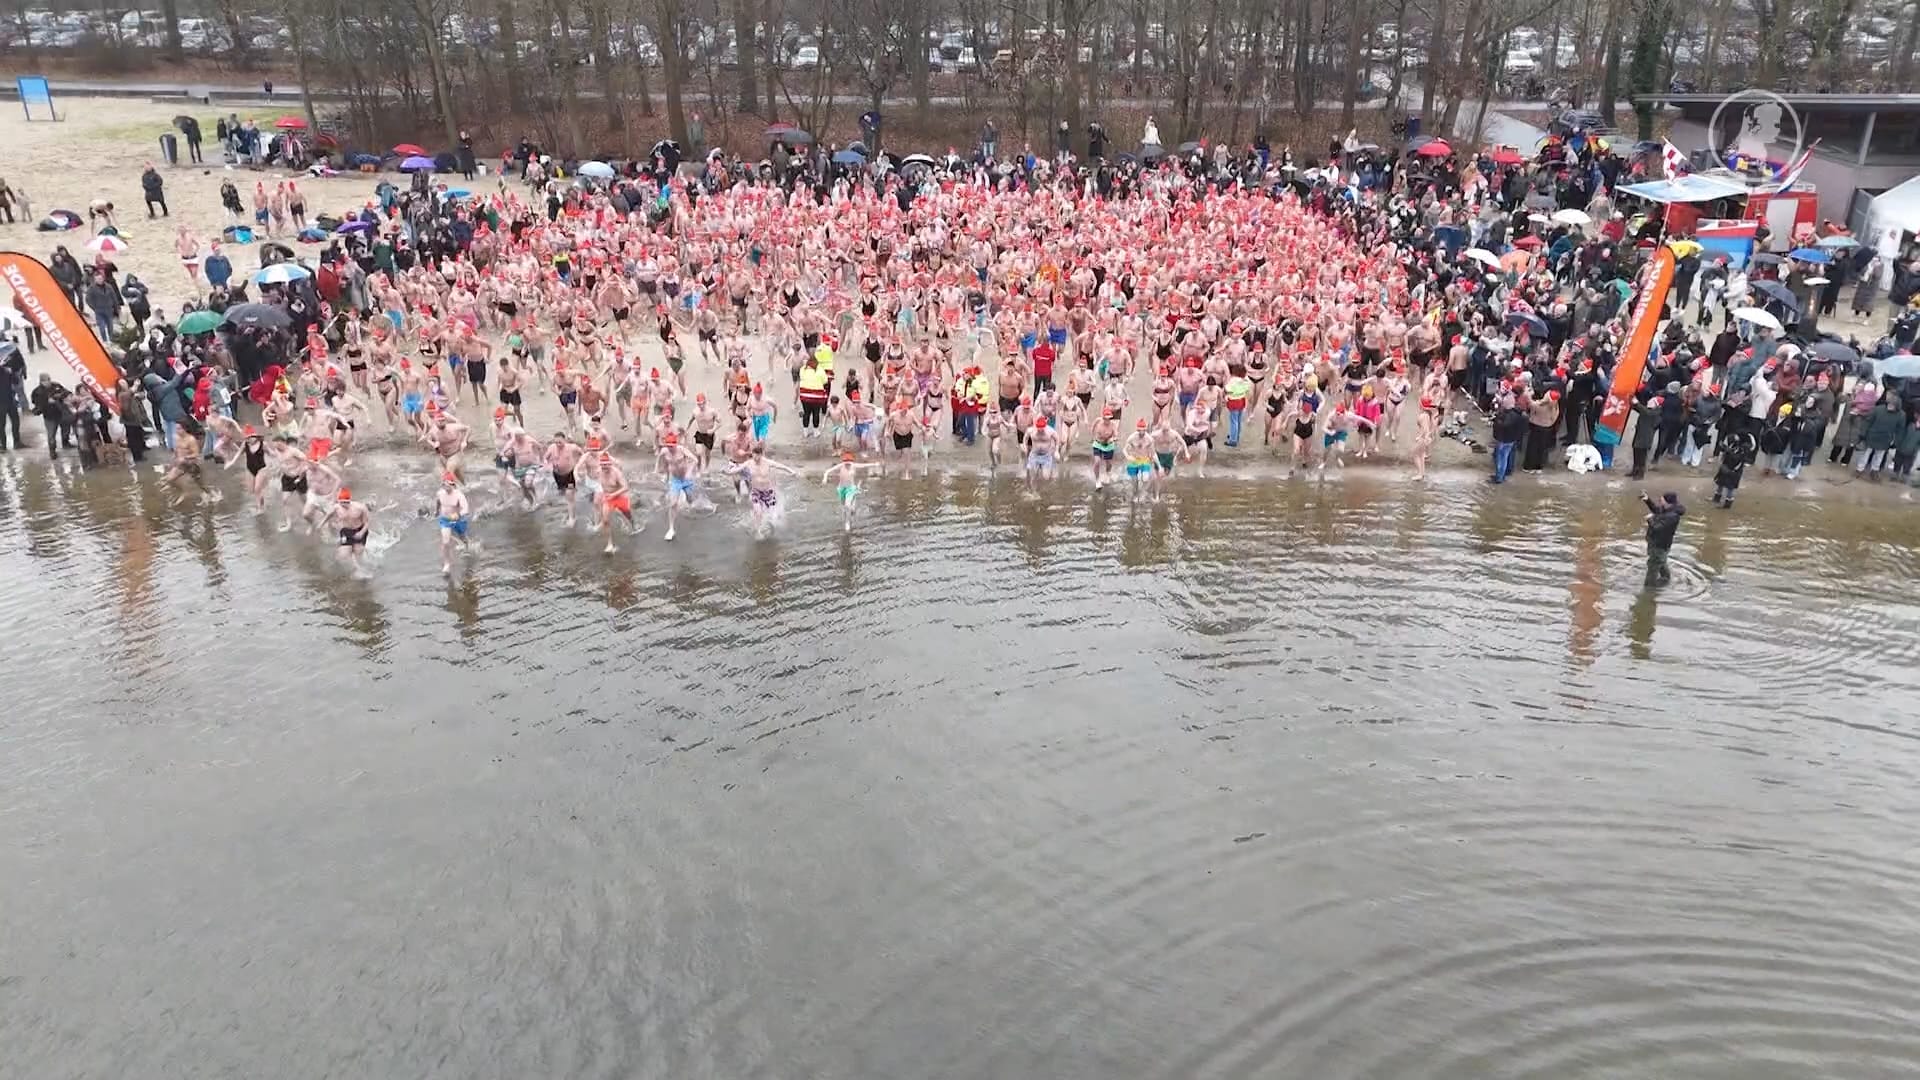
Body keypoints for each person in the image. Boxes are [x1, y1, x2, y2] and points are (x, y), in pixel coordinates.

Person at [821, 451, 882, 532]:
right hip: (841, 488)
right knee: (844, 507)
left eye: (849, 461)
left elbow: (864, 466)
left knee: (847, 505)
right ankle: (852, 504)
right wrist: (825, 478)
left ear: (851, 461)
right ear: (843, 461)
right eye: (845, 461)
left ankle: (847, 523)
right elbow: (828, 471)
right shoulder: (841, 466)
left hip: (850, 488)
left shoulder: (854, 466)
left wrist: (874, 464)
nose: (847, 463)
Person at [1641, 491, 1684, 588]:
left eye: (1662, 499)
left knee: (1653, 565)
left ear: (1667, 502)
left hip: (1660, 544)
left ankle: (1649, 589)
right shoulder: (1667, 509)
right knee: (1661, 561)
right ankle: (1666, 578)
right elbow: (1656, 510)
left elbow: (1657, 528)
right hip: (1656, 542)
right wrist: (1648, 500)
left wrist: (1649, 519)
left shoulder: (1672, 516)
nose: (1660, 500)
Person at [433, 472, 473, 574]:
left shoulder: (459, 495)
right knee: (445, 542)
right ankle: (447, 563)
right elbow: (438, 502)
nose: (445, 487)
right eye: (443, 484)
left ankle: (467, 548)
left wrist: (458, 515)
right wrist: (437, 511)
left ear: (452, 484)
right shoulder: (440, 493)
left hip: (458, 520)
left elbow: (466, 509)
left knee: (463, 538)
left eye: (447, 484)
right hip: (445, 520)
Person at [328, 488, 373, 573]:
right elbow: (329, 515)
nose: (344, 505)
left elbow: (367, 523)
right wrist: (328, 524)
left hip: (359, 530)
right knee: (343, 555)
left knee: (358, 552)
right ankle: (357, 568)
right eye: (342, 502)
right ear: (339, 501)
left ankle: (359, 560)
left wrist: (361, 532)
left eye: (346, 502)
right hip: (346, 530)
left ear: (350, 500)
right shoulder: (337, 507)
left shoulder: (360, 507)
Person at [1490, 395, 1527, 483]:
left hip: (1504, 439)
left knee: (1502, 458)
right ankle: (1502, 475)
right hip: (1511, 439)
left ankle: (1499, 477)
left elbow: (1504, 425)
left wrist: (1497, 420)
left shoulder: (1509, 415)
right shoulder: (1518, 414)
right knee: (1505, 457)